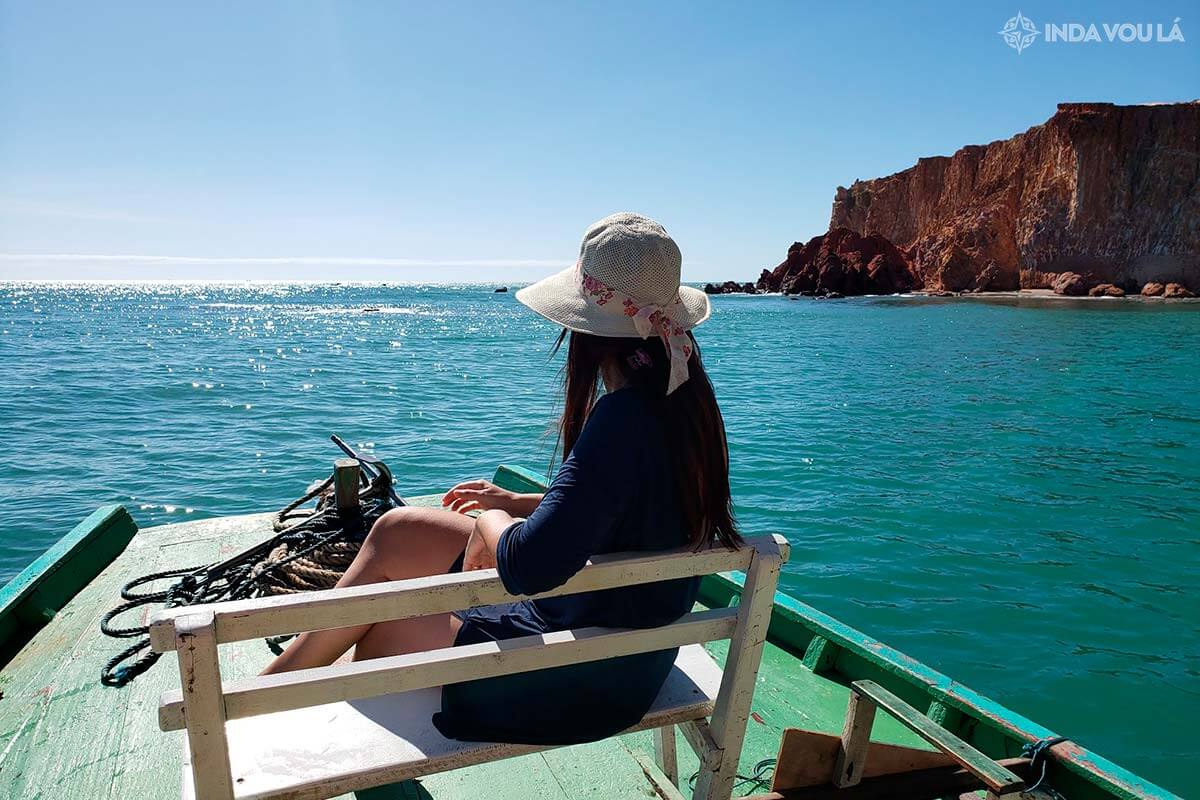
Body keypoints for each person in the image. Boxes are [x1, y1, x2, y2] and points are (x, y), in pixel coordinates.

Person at [262, 211, 740, 744]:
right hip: (632, 656)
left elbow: (529, 565)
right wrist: (520, 501)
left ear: (585, 329)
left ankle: (258, 707)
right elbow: (625, 508)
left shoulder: (622, 418)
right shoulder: (687, 403)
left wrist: (491, 519)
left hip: (575, 680)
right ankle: (271, 690)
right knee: (397, 530)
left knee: (378, 630)